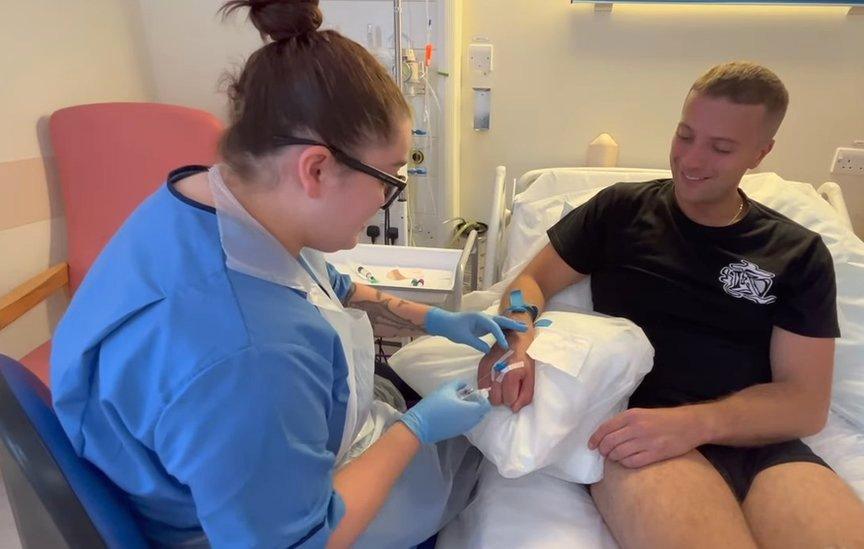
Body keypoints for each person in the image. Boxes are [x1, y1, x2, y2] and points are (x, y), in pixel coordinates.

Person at [50, 1, 524, 547]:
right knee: (481, 471)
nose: (387, 199)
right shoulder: (249, 355)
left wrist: (431, 318)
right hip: (248, 523)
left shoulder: (210, 201)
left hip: (219, 462)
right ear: (316, 169)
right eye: (390, 178)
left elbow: (329, 283)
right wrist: (414, 434)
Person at [478, 61, 864, 547]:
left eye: (720, 148)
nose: (691, 161)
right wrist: (517, 336)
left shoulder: (796, 253)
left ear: (761, 153)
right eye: (685, 136)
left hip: (762, 445)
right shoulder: (621, 211)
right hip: (640, 433)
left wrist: (698, 422)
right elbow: (533, 279)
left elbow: (805, 402)